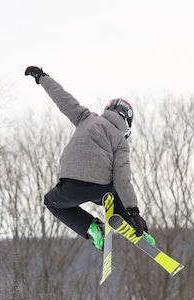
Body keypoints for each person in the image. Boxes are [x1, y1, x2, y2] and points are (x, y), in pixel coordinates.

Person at [24, 65, 154, 251]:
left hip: (71, 185)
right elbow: (122, 180)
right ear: (126, 124)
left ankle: (91, 228)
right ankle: (138, 229)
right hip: (100, 188)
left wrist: (42, 77)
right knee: (114, 194)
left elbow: (63, 99)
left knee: (52, 202)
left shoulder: (85, 118)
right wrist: (134, 212)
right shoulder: (120, 141)